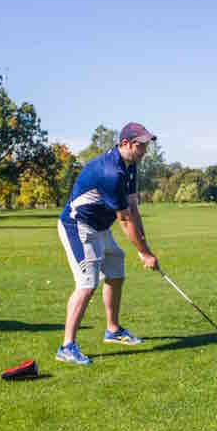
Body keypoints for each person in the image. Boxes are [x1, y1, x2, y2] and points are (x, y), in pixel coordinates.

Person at [56, 122, 160, 365]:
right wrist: (144, 254)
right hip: (78, 226)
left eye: (146, 145)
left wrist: (145, 248)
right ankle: (66, 346)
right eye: (140, 145)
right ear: (125, 144)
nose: (144, 150)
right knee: (86, 284)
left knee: (115, 271)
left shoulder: (131, 167)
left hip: (100, 227)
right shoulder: (111, 172)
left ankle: (112, 330)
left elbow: (133, 208)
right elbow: (123, 220)